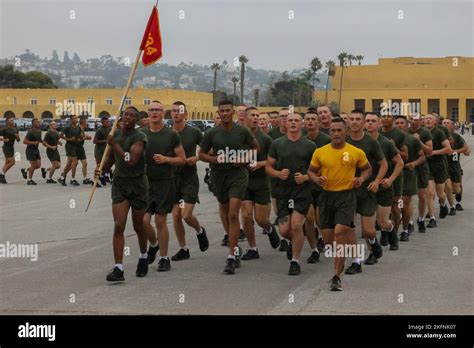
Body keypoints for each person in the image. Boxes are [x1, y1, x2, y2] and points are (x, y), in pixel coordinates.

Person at [308, 118, 371, 291]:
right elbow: (311, 171)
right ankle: (345, 259)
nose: (336, 133)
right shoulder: (320, 152)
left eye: (339, 130)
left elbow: (367, 168)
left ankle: (336, 277)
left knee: (340, 232)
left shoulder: (355, 152)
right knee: (329, 241)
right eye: (333, 130)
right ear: (329, 133)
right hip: (326, 197)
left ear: (346, 131)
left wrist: (361, 178)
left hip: (346, 196)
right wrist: (317, 179)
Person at [199, 99, 258, 275]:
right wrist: (214, 159)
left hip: (237, 175)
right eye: (221, 111)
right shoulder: (212, 133)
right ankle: (235, 245)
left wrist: (245, 159)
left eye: (227, 110)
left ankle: (231, 256)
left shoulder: (242, 131)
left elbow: (255, 147)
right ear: (218, 113)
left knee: (233, 213)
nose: (224, 113)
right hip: (219, 176)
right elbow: (201, 154)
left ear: (233, 112)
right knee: (225, 212)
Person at [97, 106, 149, 282]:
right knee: (119, 225)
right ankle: (118, 268)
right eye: (126, 114)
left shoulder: (139, 137)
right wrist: (101, 169)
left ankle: (143, 256)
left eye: (132, 116)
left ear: (136, 120)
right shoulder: (115, 134)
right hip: (120, 184)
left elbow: (131, 160)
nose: (128, 118)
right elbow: (113, 158)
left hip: (138, 185)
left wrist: (115, 144)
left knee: (138, 226)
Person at [266, 113, 316, 275]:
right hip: (283, 192)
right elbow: (268, 167)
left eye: (296, 121)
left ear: (302, 124)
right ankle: (296, 243)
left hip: (302, 191)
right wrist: (278, 174)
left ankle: (295, 261)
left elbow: (318, 170)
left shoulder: (310, 146)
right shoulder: (277, 144)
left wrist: (306, 177)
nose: (293, 123)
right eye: (290, 121)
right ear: (285, 124)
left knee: (296, 225)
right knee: (284, 231)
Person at [142, 101, 186, 271]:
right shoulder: (141, 134)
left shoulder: (171, 135)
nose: (154, 113)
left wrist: (166, 159)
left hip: (164, 183)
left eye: (158, 110)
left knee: (161, 221)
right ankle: (154, 244)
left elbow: (182, 159)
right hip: (145, 184)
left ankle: (164, 257)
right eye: (151, 110)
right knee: (144, 221)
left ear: (163, 113)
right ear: (148, 113)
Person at [346, 110, 386, 269]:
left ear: (363, 123)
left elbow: (384, 164)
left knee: (368, 231)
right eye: (352, 119)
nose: (354, 122)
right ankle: (356, 261)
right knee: (348, 226)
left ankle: (373, 242)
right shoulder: (343, 141)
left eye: (358, 119)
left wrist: (376, 181)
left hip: (367, 190)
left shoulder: (371, 142)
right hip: (347, 190)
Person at [170, 101, 209, 261]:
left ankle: (200, 231)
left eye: (179, 111)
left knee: (186, 215)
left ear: (185, 114)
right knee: (176, 215)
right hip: (172, 180)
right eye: (173, 111)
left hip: (189, 179)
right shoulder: (167, 133)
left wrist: (197, 157)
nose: (176, 113)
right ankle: (183, 248)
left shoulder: (194, 132)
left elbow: (208, 149)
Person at [241, 107, 280, 261]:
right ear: (245, 117)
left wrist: (260, 164)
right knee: (246, 215)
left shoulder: (265, 139)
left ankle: (270, 229)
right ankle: (253, 248)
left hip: (261, 182)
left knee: (261, 219)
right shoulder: (239, 136)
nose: (256, 118)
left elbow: (274, 161)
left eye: (258, 115)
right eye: (253, 115)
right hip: (243, 181)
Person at [365, 112, 404, 253]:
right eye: (367, 121)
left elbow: (400, 163)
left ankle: (391, 233)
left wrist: (391, 179)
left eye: (373, 121)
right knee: (367, 227)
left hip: (383, 187)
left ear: (379, 124)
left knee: (383, 222)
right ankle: (373, 252)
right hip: (365, 187)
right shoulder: (358, 142)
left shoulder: (386, 143)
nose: (369, 123)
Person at [303, 109, 331, 262]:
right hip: (306, 186)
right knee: (308, 218)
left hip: (322, 184)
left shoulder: (326, 140)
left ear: (318, 122)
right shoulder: (300, 139)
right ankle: (314, 249)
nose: (310, 122)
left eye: (313, 119)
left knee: (321, 220)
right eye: (307, 119)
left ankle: (326, 241)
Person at [395, 116, 425, 241]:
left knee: (405, 203)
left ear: (406, 124)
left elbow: (422, 157)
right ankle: (391, 230)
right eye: (397, 123)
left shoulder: (412, 140)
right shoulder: (388, 139)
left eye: (402, 123)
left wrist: (414, 164)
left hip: (407, 174)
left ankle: (405, 229)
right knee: (395, 205)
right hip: (393, 175)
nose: (399, 125)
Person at [380, 112, 408, 243]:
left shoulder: (399, 135)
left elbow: (405, 156)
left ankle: (394, 233)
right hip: (379, 173)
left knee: (396, 206)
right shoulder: (376, 133)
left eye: (388, 116)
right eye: (383, 116)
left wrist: (394, 147)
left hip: (395, 173)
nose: (386, 118)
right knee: (380, 206)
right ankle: (384, 231)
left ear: (393, 119)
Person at [267, 108, 289, 250]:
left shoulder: (301, 134)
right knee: (279, 211)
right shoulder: (271, 135)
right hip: (276, 179)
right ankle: (284, 237)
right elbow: (268, 159)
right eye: (282, 117)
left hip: (296, 180)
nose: (285, 119)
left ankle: (288, 239)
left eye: (287, 116)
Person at [424, 114, 452, 225]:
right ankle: (432, 218)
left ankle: (443, 204)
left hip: (439, 164)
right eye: (426, 118)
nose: (427, 120)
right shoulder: (422, 133)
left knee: (440, 193)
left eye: (430, 118)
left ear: (435, 122)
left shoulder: (439, 133)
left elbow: (448, 149)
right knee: (430, 193)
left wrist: (433, 152)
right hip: (426, 165)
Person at [408, 114, 433, 232]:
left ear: (420, 121)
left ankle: (421, 219)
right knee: (407, 198)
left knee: (422, 196)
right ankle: (409, 221)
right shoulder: (405, 131)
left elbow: (429, 151)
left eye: (416, 120)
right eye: (411, 119)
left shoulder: (425, 133)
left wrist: (418, 141)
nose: (413, 121)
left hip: (421, 167)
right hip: (408, 167)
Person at [442, 118, 470, 213]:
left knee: (457, 188)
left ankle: (458, 198)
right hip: (443, 165)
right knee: (447, 186)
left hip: (454, 165)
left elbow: (466, 149)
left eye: (447, 123)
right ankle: (449, 204)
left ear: (452, 125)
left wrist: (455, 151)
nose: (445, 124)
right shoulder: (439, 135)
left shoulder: (456, 136)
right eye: (444, 123)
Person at [58, 114, 81, 186]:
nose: (76, 119)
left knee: (69, 163)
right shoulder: (67, 127)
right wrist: (68, 139)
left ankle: (62, 177)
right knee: (75, 162)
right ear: (71, 120)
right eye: (74, 118)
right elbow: (60, 135)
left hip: (75, 146)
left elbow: (79, 136)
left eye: (76, 118)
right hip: (69, 146)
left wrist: (83, 137)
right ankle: (72, 179)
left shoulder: (78, 127)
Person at [21, 118, 44, 185]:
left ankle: (25, 170)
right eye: (37, 122)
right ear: (33, 124)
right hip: (30, 150)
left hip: (36, 150)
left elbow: (39, 140)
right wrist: (33, 143)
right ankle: (29, 180)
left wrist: (44, 142)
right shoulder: (30, 132)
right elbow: (24, 141)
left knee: (38, 165)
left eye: (39, 122)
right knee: (33, 166)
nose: (39, 123)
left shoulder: (39, 131)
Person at [0, 115, 20, 184]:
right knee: (12, 162)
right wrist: (4, 139)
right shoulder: (4, 129)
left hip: (11, 147)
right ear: (7, 122)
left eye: (13, 120)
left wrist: (17, 137)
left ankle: (2, 176)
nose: (13, 121)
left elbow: (18, 140)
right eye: (11, 120)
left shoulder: (15, 129)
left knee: (7, 163)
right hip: (6, 147)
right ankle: (2, 175)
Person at [93, 116, 111, 187]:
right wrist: (104, 141)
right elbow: (94, 141)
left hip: (105, 150)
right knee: (98, 166)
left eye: (108, 121)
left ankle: (101, 176)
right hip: (99, 151)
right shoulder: (99, 130)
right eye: (106, 122)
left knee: (104, 165)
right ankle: (94, 181)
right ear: (102, 123)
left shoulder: (109, 129)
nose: (108, 123)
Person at [77, 117, 93, 185]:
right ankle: (63, 175)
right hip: (75, 148)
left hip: (81, 148)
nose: (87, 123)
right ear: (83, 123)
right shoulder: (78, 129)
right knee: (71, 165)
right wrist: (85, 138)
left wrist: (86, 138)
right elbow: (77, 140)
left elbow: (81, 138)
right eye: (86, 122)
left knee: (85, 163)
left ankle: (85, 179)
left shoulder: (82, 129)